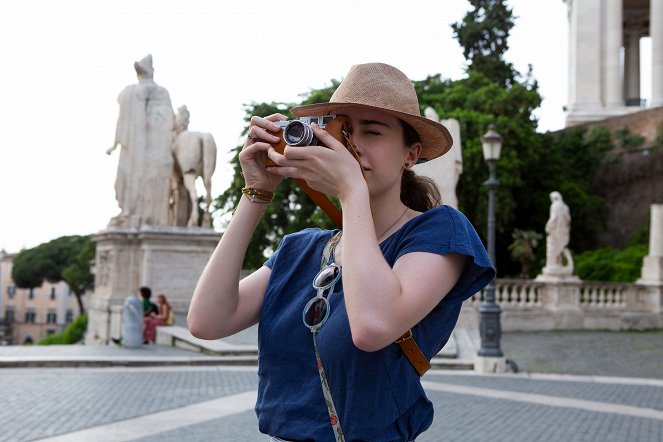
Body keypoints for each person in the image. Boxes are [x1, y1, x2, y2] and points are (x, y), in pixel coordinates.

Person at [188, 63, 495, 441]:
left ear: (411, 155)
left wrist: (352, 190)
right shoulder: (301, 248)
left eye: (372, 131)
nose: (352, 145)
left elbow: (372, 327)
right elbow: (207, 321)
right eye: (342, 130)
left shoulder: (440, 231)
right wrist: (257, 192)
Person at [106, 54, 175, 227]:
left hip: (150, 150)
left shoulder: (132, 92)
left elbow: (168, 122)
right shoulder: (147, 92)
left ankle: (136, 213)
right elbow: (170, 121)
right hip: (141, 149)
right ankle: (132, 212)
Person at [544, 191, 572, 271]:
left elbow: (554, 218)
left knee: (554, 247)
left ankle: (554, 265)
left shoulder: (555, 206)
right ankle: (559, 264)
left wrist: (548, 226)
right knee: (560, 246)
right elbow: (568, 219)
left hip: (556, 231)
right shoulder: (565, 207)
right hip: (564, 231)